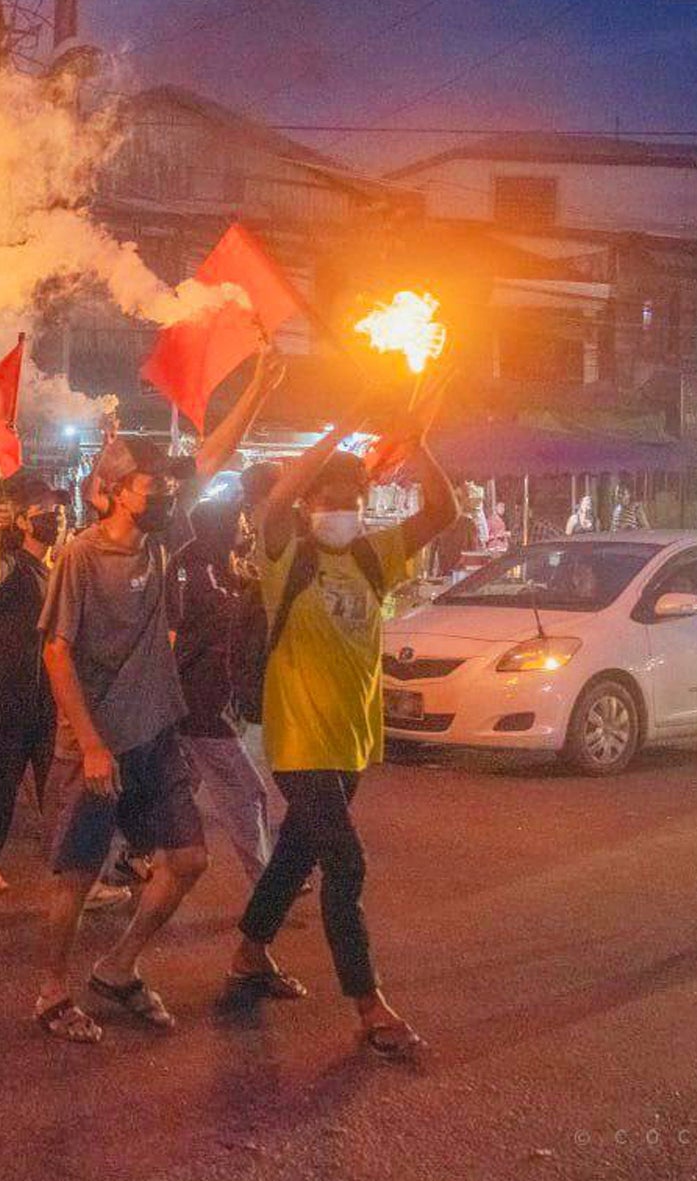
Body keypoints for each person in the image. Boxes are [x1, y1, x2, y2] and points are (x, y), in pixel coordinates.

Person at [228, 431, 458, 1058]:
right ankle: (369, 1005)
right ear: (309, 504)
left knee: (298, 853)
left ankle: (250, 951)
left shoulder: (374, 555)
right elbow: (276, 502)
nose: (343, 510)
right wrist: (341, 426)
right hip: (298, 739)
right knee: (346, 865)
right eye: (330, 499)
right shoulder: (286, 554)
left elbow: (444, 513)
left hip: (351, 739)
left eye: (353, 498)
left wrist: (416, 443)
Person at [34, 436, 207, 1044]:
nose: (160, 489)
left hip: (154, 735)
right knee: (78, 876)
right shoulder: (80, 557)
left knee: (188, 860)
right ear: (112, 490)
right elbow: (55, 651)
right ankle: (52, 991)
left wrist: (264, 383)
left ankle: (119, 965)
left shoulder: (161, 544)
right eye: (147, 480)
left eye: (164, 480)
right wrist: (90, 744)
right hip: (97, 743)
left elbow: (212, 460)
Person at [0, 479, 64, 894]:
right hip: (8, 696)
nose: (54, 519)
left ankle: (73, 871)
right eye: (44, 513)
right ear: (23, 521)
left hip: (47, 697)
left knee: (57, 787)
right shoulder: (13, 564)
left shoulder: (53, 570)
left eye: (57, 512)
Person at [172, 496, 272, 884]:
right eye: (238, 521)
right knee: (248, 793)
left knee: (175, 791)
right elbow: (219, 613)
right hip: (201, 707)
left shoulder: (229, 574)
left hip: (211, 704)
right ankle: (266, 880)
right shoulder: (201, 574)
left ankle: (121, 859)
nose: (244, 528)